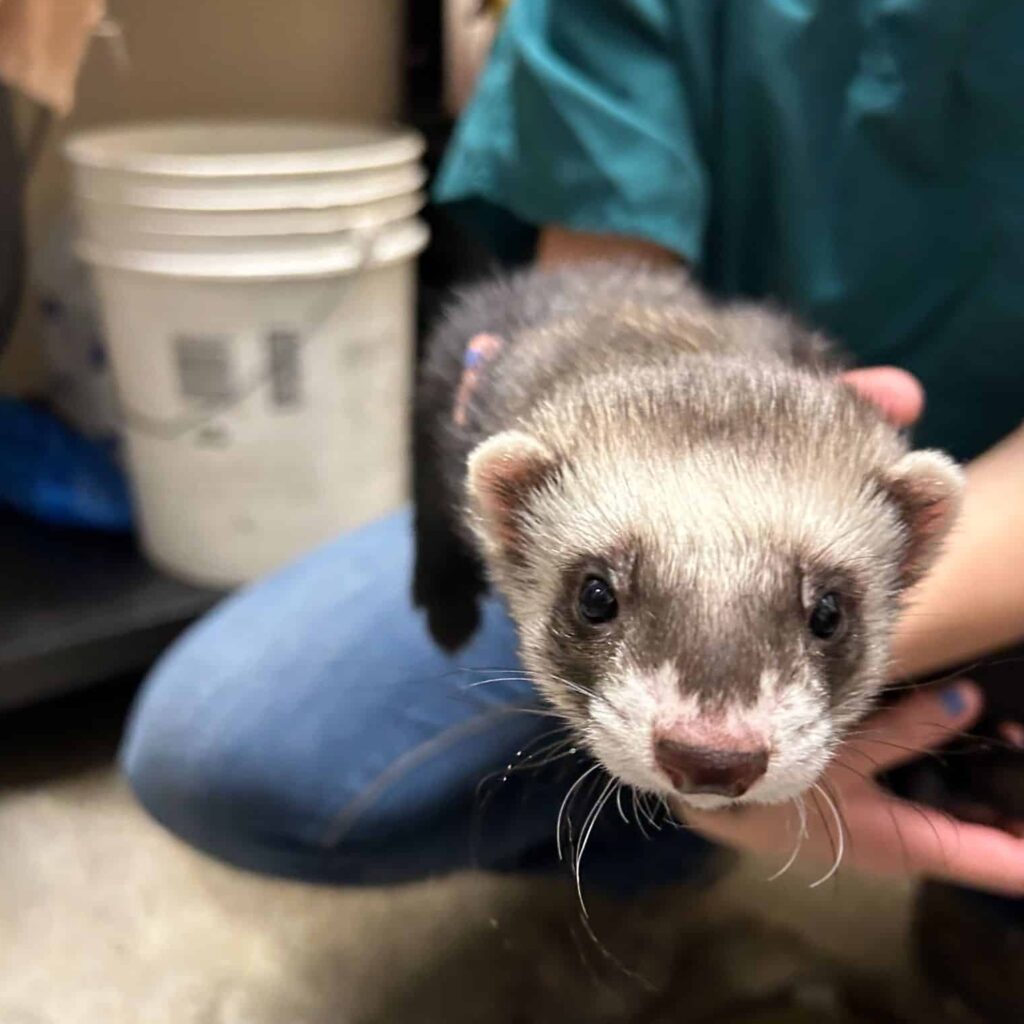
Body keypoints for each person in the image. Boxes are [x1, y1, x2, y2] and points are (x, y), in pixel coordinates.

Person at [121, 0, 1024, 1007]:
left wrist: (874, 677)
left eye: (825, 611)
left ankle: (982, 905)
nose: (715, 730)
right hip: (695, 425)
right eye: (598, 595)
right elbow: (600, 275)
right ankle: (649, 851)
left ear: (911, 546)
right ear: (507, 521)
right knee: (223, 745)